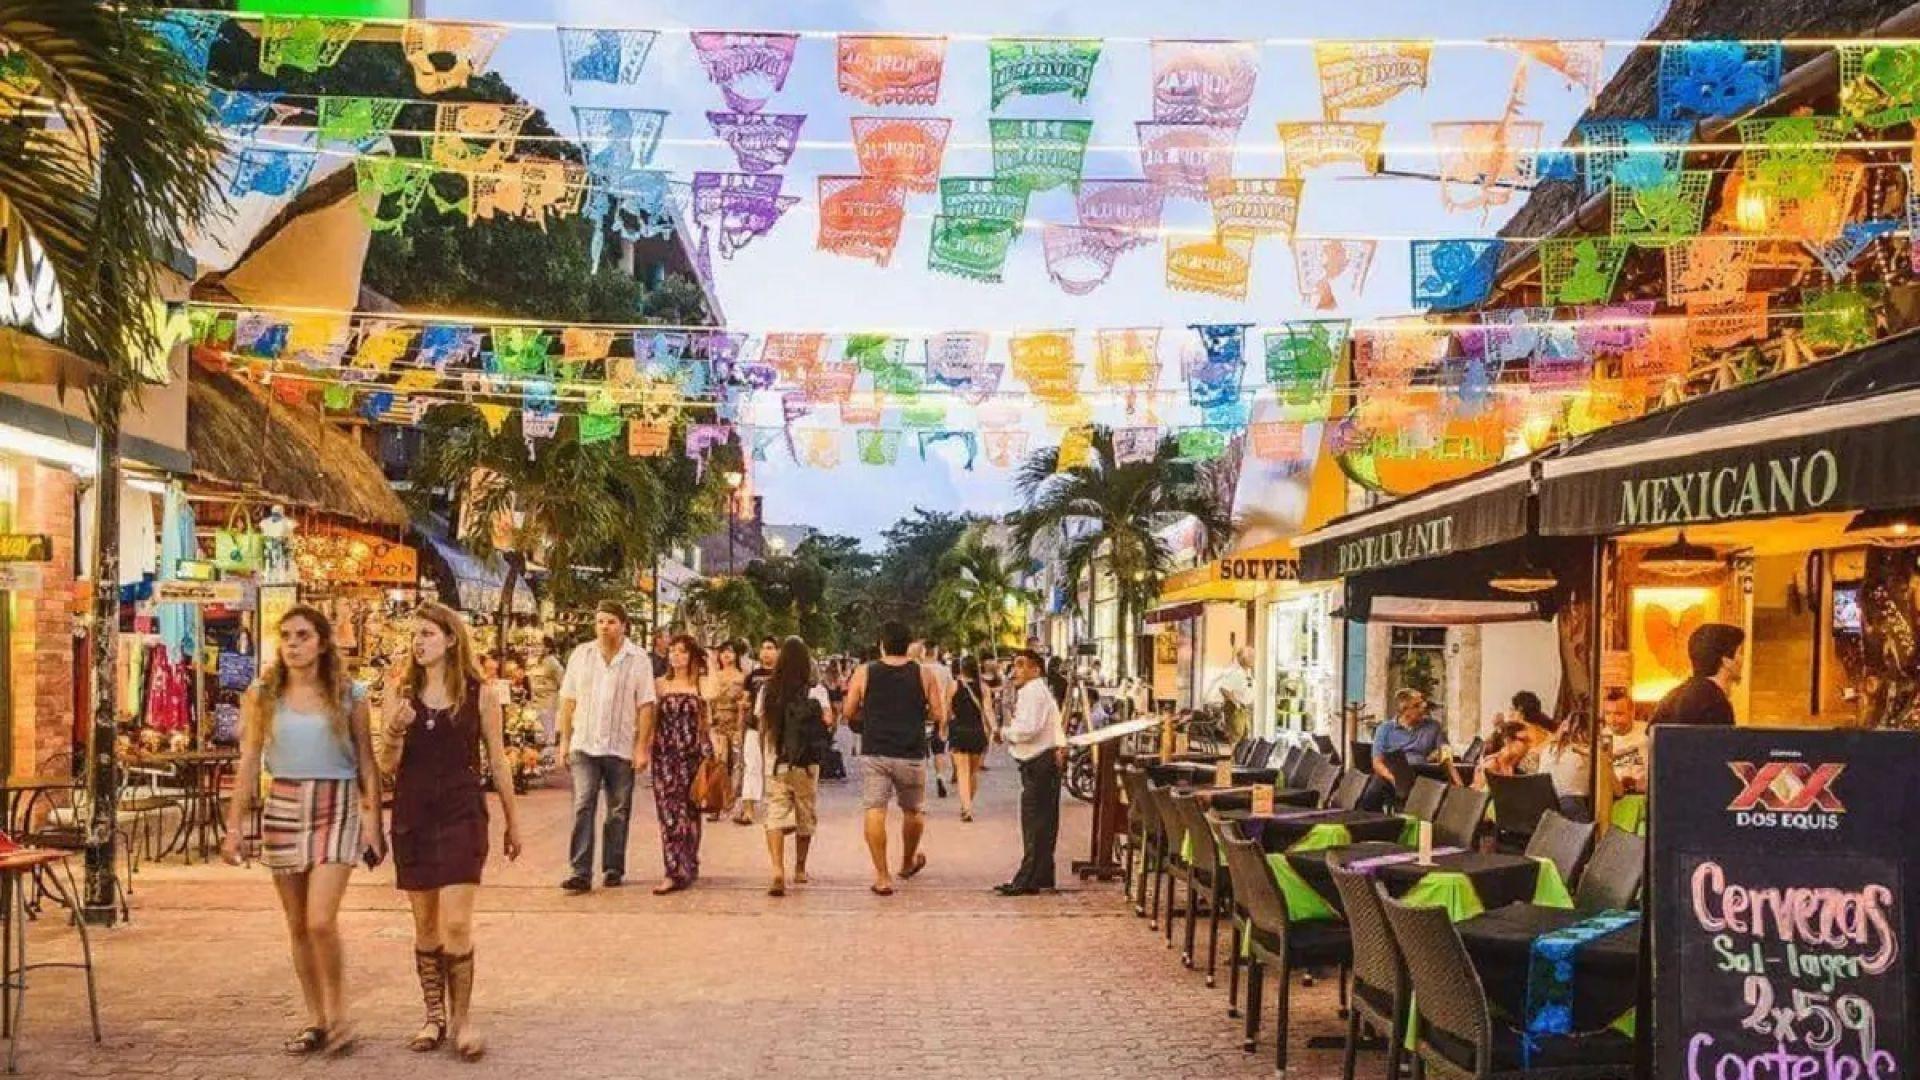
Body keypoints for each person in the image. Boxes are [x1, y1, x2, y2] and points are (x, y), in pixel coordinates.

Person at [222, 605, 383, 1056]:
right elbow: (250, 759)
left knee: (320, 920)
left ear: (323, 642)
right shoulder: (262, 693)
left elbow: (367, 761)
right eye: (287, 636)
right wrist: (234, 825)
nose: (293, 644)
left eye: (303, 636)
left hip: (337, 803)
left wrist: (374, 821)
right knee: (297, 924)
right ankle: (315, 1019)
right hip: (284, 802)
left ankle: (339, 1015)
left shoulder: (350, 694)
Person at [377, 603, 523, 1060]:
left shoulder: (480, 693)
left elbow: (497, 758)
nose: (419, 643)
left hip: (462, 811)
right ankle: (433, 1016)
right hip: (414, 813)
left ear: (452, 639)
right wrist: (394, 733)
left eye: (428, 634)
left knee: (456, 922)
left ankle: (462, 1021)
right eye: (415, 635)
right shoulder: (399, 691)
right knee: (424, 924)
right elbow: (386, 768)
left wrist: (513, 820)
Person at [556, 601, 656, 893]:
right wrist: (564, 740)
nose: (605, 627)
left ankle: (613, 867)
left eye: (611, 622)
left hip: (620, 746)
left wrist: (641, 747)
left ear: (623, 625)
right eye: (600, 621)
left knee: (618, 810)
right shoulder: (581, 655)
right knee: (583, 804)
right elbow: (568, 700)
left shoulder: (638, 659)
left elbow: (646, 705)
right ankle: (580, 870)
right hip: (584, 744)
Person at [843, 621, 948, 895]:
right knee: (913, 810)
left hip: (875, 749)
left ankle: (882, 876)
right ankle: (906, 861)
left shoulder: (865, 672)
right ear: (909, 645)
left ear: (882, 645)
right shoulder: (923, 674)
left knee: (875, 809)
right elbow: (939, 713)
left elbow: (848, 710)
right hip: (911, 751)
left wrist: (868, 716)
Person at [757, 636, 834, 896]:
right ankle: (800, 869)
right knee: (805, 814)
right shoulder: (816, 690)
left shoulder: (768, 689)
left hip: (777, 761)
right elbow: (828, 722)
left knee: (775, 814)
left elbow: (763, 727)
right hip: (807, 764)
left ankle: (777, 870)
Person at [639, 635, 711, 893]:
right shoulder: (660, 684)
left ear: (692, 655)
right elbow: (651, 720)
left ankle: (689, 861)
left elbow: (708, 720)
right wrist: (643, 748)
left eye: (682, 652)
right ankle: (673, 870)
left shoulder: (702, 684)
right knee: (669, 813)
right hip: (666, 754)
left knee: (691, 811)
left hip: (694, 753)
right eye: (672, 652)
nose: (676, 657)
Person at [997, 649, 1066, 896]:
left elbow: (1028, 729)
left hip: (1039, 762)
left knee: (1035, 822)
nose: (1015, 671)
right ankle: (1040, 875)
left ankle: (1028, 878)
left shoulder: (1033, 692)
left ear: (1036, 669)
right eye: (1014, 666)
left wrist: (1005, 732)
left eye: (1021, 665)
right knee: (1043, 823)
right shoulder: (1036, 692)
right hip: (1040, 762)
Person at [1649, 623, 1744, 727]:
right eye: (1740, 652)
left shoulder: (1671, 697)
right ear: (1726, 661)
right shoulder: (1717, 704)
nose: (1743, 659)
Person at [734, 637, 780, 825]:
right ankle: (748, 810)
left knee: (772, 767)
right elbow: (744, 704)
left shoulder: (783, 675)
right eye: (763, 648)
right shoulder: (752, 676)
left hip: (775, 728)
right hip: (753, 727)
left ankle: (774, 809)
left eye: (770, 648)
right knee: (751, 766)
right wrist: (740, 728)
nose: (765, 652)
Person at [704, 641, 749, 823]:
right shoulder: (715, 676)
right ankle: (715, 805)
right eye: (723, 652)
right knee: (718, 763)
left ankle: (733, 801)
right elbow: (708, 700)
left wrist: (739, 727)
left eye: (730, 652)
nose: (726, 655)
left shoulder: (742, 677)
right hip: (717, 723)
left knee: (736, 765)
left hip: (734, 723)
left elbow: (743, 705)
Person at [948, 655, 994, 822]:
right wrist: (994, 729)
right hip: (977, 732)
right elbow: (988, 711)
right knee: (973, 773)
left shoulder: (954, 685)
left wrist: (944, 726)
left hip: (959, 730)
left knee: (962, 772)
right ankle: (967, 804)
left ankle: (966, 807)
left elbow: (947, 710)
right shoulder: (984, 688)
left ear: (961, 669)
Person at [1370, 688, 1444, 787]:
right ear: (1404, 710)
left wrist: (1436, 754)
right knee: (1375, 786)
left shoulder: (1433, 726)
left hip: (1423, 775)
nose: (1423, 708)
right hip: (1392, 774)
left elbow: (1445, 751)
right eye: (1416, 706)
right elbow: (1377, 763)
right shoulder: (1385, 729)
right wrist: (1393, 779)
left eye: (1422, 704)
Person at [1533, 709, 1596, 822]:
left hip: (1543, 813)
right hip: (1572, 813)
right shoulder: (1588, 753)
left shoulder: (1547, 750)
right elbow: (1617, 790)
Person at [912, 640, 956, 798]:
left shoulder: (918, 670)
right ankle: (940, 776)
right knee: (939, 748)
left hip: (920, 715)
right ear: (936, 651)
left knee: (921, 751)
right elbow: (951, 692)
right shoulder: (944, 670)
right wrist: (948, 713)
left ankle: (921, 786)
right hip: (940, 713)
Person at [1602, 689, 1647, 794]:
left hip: (1642, 797)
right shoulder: (1601, 738)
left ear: (1632, 712)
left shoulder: (1648, 733)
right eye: (1608, 713)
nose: (1612, 720)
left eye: (1619, 714)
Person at [1208, 648, 1255, 745]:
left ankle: (1241, 759)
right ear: (1242, 659)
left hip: (1245, 708)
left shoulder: (1248, 672)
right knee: (1236, 737)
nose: (1253, 658)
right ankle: (1234, 759)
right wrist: (1236, 703)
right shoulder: (1236, 673)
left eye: (1253, 655)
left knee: (1245, 737)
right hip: (1236, 709)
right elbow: (1224, 688)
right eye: (1250, 656)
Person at [525, 637, 565, 746]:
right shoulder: (534, 661)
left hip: (548, 702)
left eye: (539, 645)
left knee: (548, 733)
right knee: (539, 732)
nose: (536, 648)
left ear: (548, 648)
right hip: (536, 701)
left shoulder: (552, 662)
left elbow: (562, 681)